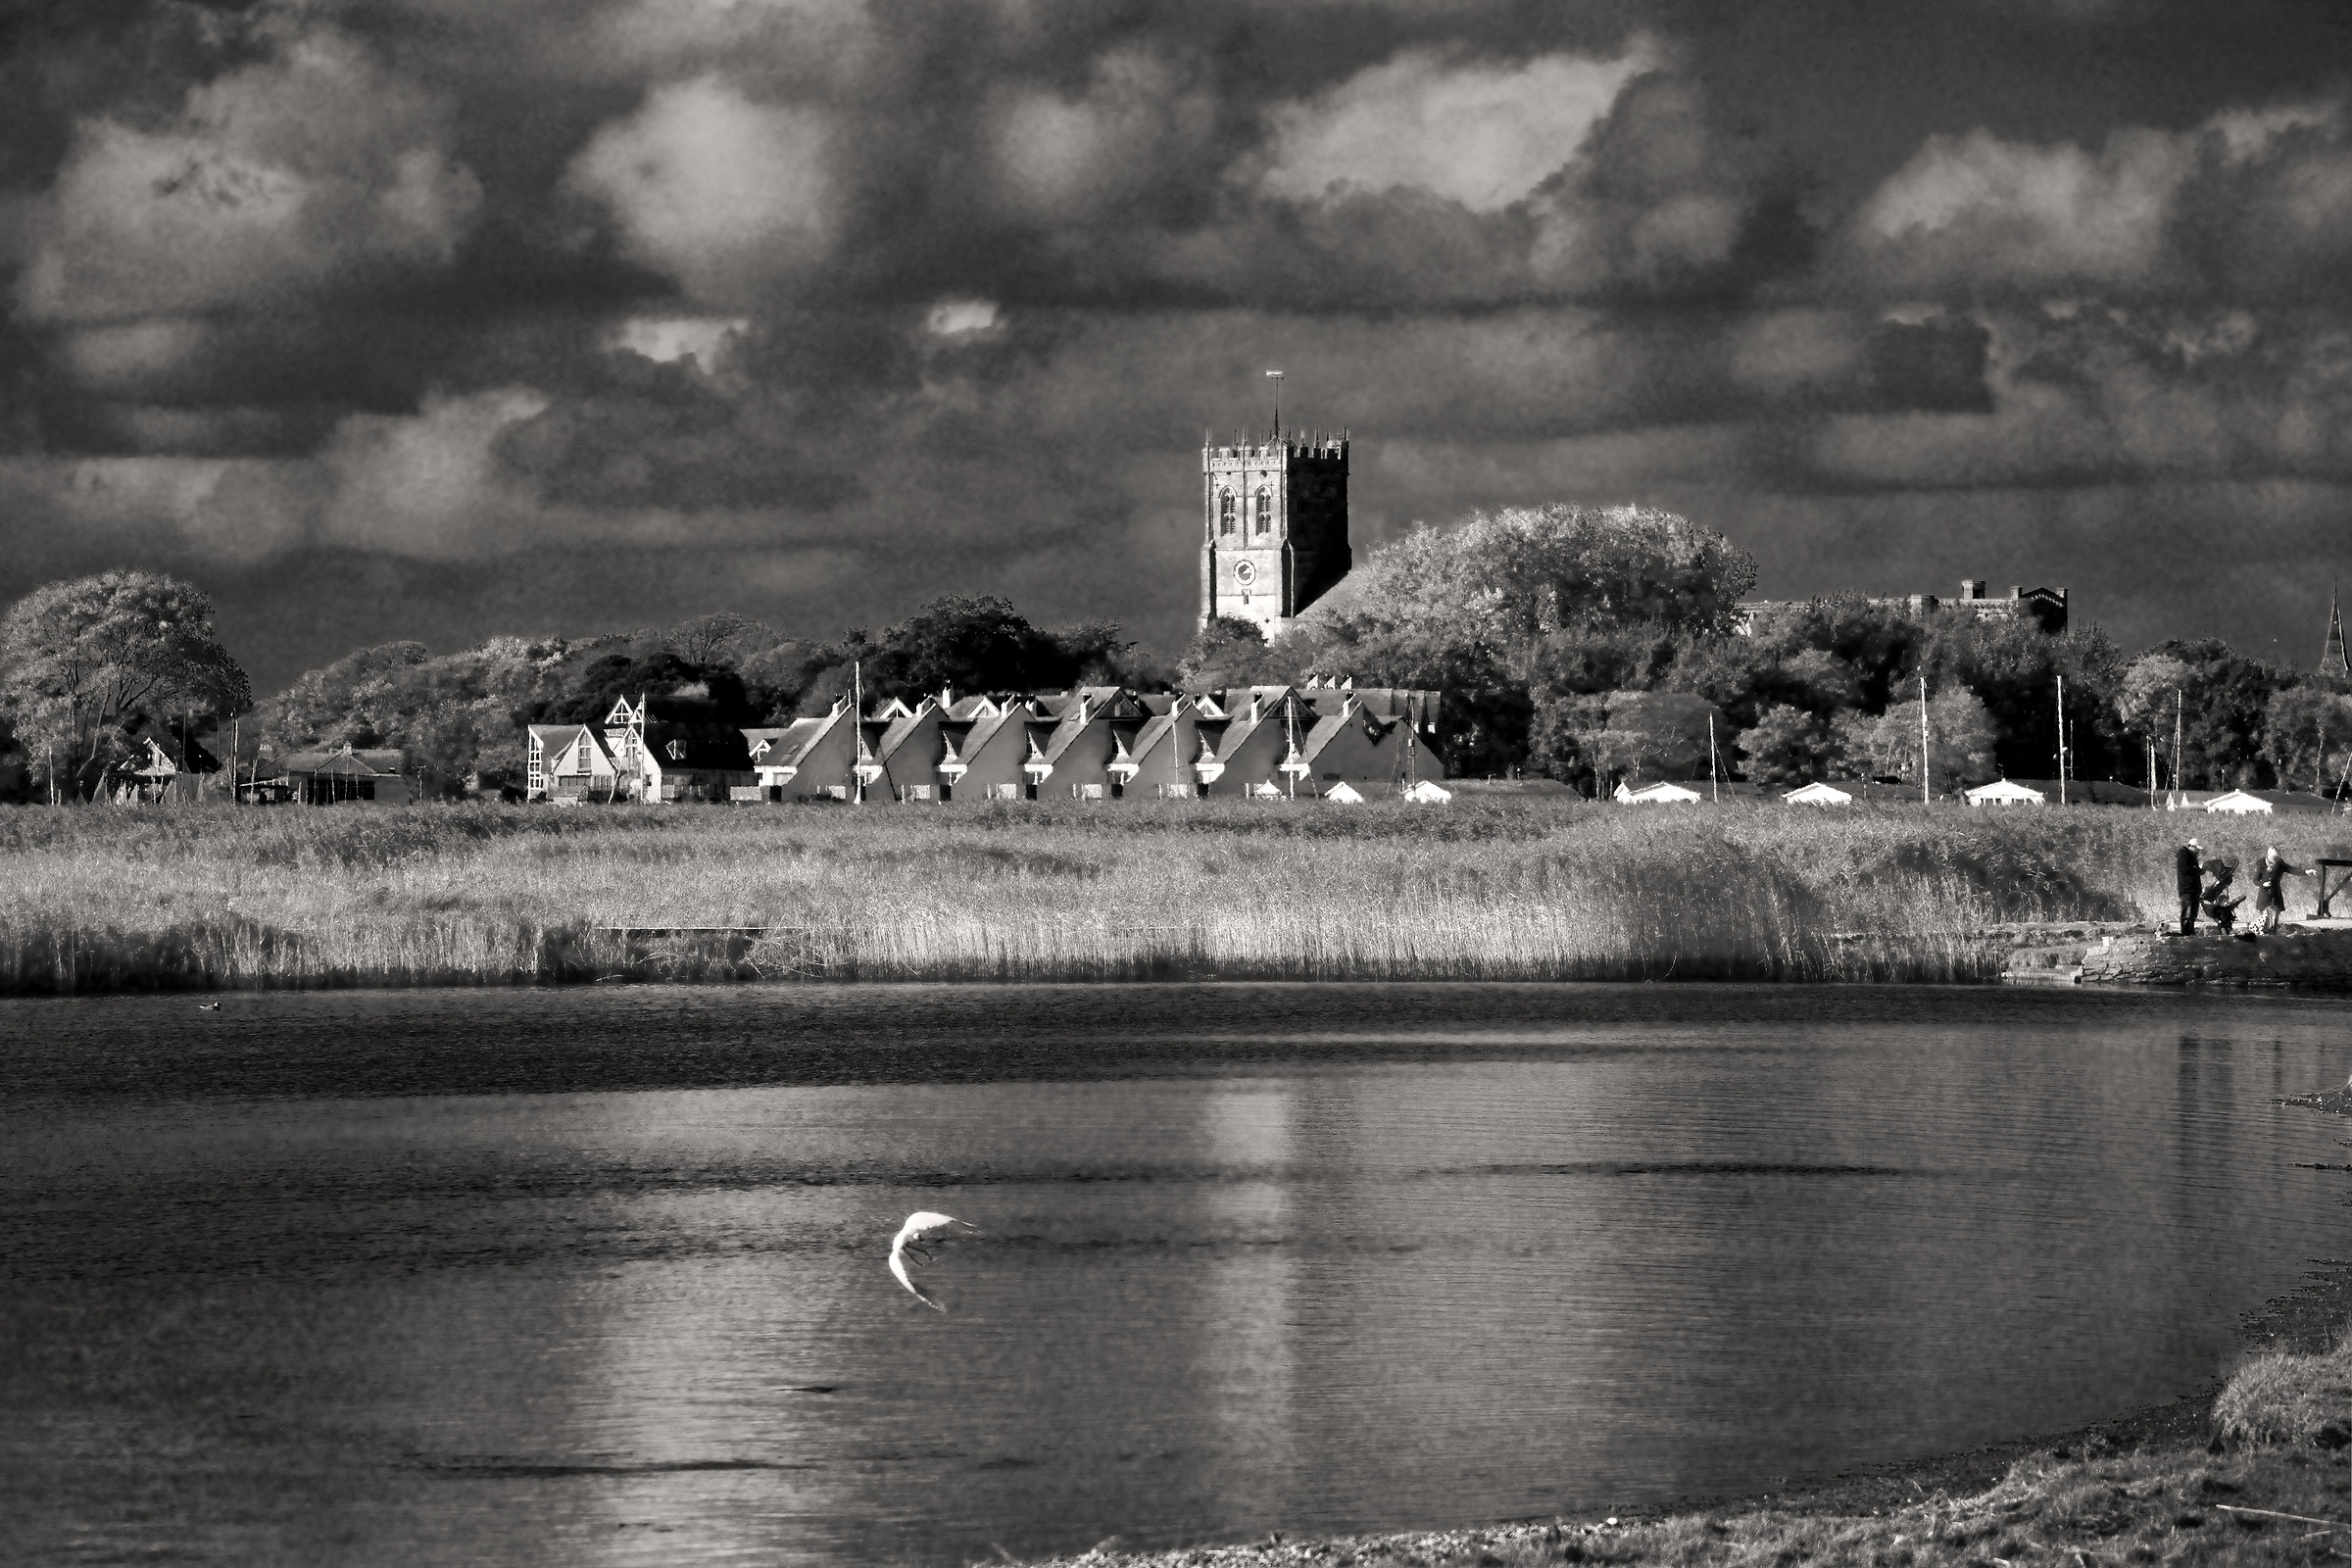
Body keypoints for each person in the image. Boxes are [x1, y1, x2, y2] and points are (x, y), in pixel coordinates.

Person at [2251, 845, 2308, 935]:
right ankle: (2261, 931)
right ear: (2268, 855)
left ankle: (2274, 930)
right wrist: (2263, 884)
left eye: (2277, 857)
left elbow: (2291, 869)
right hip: (2264, 892)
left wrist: (2306, 872)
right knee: (2264, 914)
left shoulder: (2280, 863)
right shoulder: (2261, 863)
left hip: (2275, 890)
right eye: (2275, 857)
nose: (2276, 859)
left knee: (2276, 912)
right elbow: (2255, 880)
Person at [2176, 838, 2202, 935]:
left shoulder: (2192, 857)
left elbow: (2195, 871)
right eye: (2197, 849)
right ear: (2192, 846)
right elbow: (2185, 869)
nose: (2198, 851)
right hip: (2187, 889)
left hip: (2194, 889)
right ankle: (2185, 933)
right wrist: (2196, 868)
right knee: (2187, 912)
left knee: (2193, 913)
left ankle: (2191, 932)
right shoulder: (2183, 855)